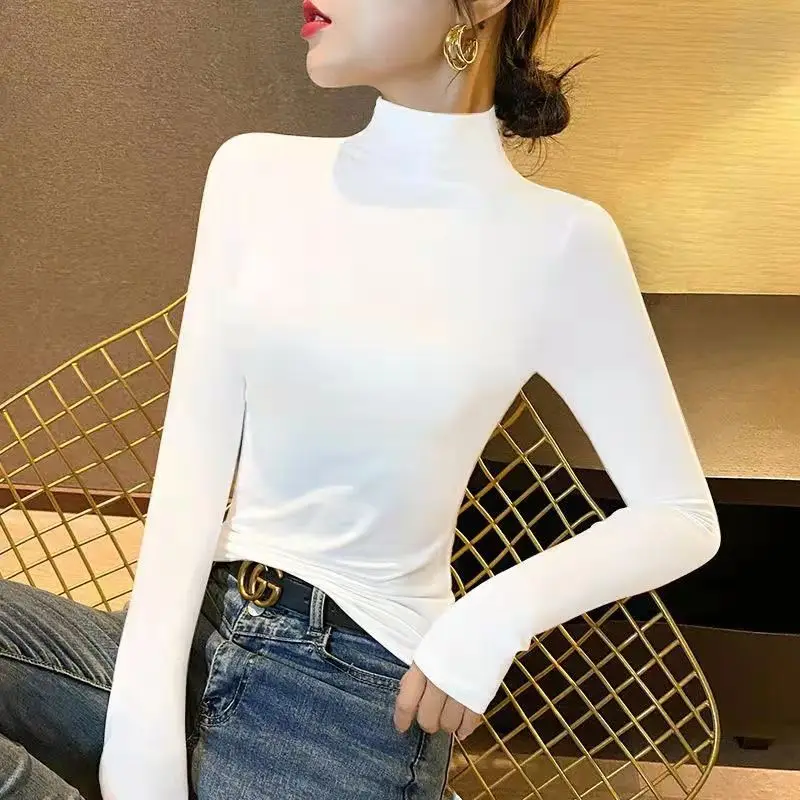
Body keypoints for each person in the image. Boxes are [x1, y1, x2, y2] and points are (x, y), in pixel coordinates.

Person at [0, 1, 722, 798]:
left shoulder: (563, 243)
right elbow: (192, 468)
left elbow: (681, 515)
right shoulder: (253, 174)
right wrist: (143, 742)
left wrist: (495, 616)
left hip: (347, 698)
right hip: (195, 629)